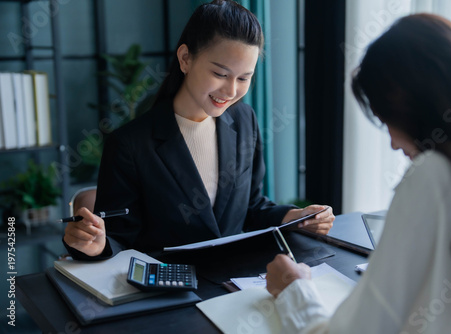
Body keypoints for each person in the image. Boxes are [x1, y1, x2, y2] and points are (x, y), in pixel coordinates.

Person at [266, 13, 451, 333]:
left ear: (412, 107)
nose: (391, 143)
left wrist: (294, 288)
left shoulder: (434, 176)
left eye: (387, 120)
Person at [63, 0, 334, 260]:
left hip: (231, 281)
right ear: (185, 59)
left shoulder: (244, 120)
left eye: (244, 78)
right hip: (167, 292)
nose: (231, 91)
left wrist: (295, 218)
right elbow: (120, 237)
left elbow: (251, 207)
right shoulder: (130, 144)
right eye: (220, 74)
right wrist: (96, 245)